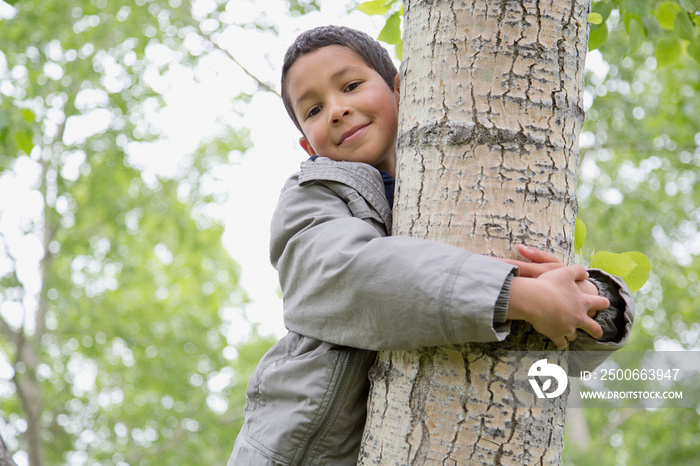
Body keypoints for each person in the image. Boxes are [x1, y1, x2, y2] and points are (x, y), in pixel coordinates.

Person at [228, 25, 634, 465]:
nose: (337, 110)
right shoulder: (311, 196)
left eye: (351, 86)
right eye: (314, 109)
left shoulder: (475, 192)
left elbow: (559, 357)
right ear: (309, 147)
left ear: (402, 89)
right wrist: (521, 293)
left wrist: (593, 302)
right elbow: (354, 275)